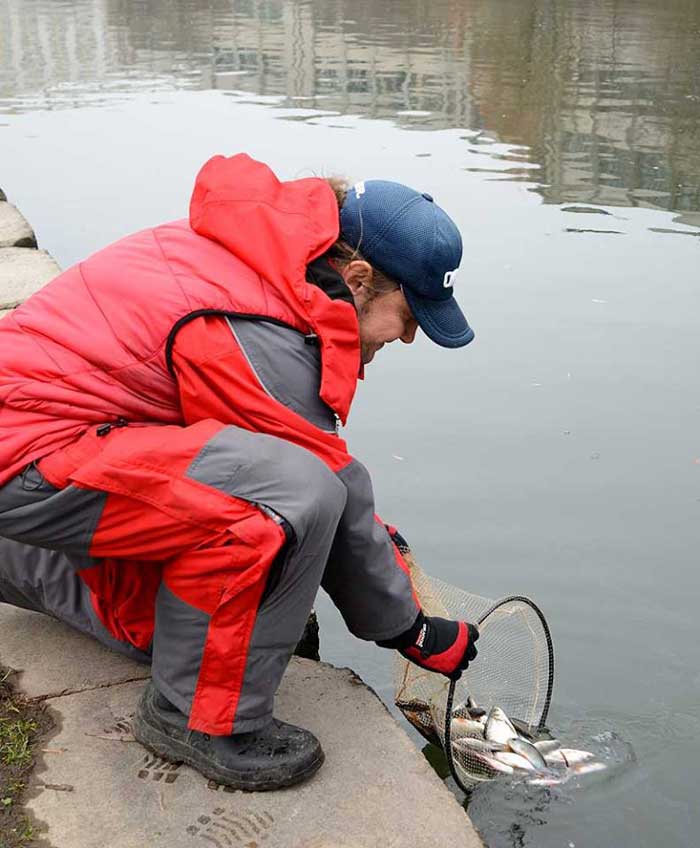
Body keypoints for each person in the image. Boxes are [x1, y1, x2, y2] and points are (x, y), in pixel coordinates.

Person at [0, 153, 479, 791]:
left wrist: (378, 561)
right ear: (359, 279)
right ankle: (194, 718)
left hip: (46, 439)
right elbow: (318, 482)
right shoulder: (258, 327)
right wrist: (411, 629)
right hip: (29, 453)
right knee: (286, 501)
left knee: (196, 603)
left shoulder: (264, 257)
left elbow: (318, 467)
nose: (410, 338)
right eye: (411, 316)